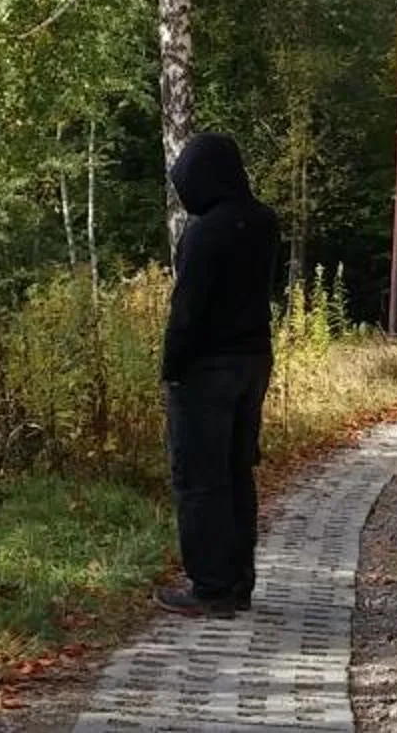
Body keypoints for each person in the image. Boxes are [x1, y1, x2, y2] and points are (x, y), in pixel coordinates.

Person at [156, 130, 279, 618]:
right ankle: (238, 581)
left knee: (198, 478)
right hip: (254, 359)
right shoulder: (264, 222)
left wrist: (172, 367)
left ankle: (210, 587)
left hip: (206, 367)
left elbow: (188, 309)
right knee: (236, 472)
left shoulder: (205, 232)